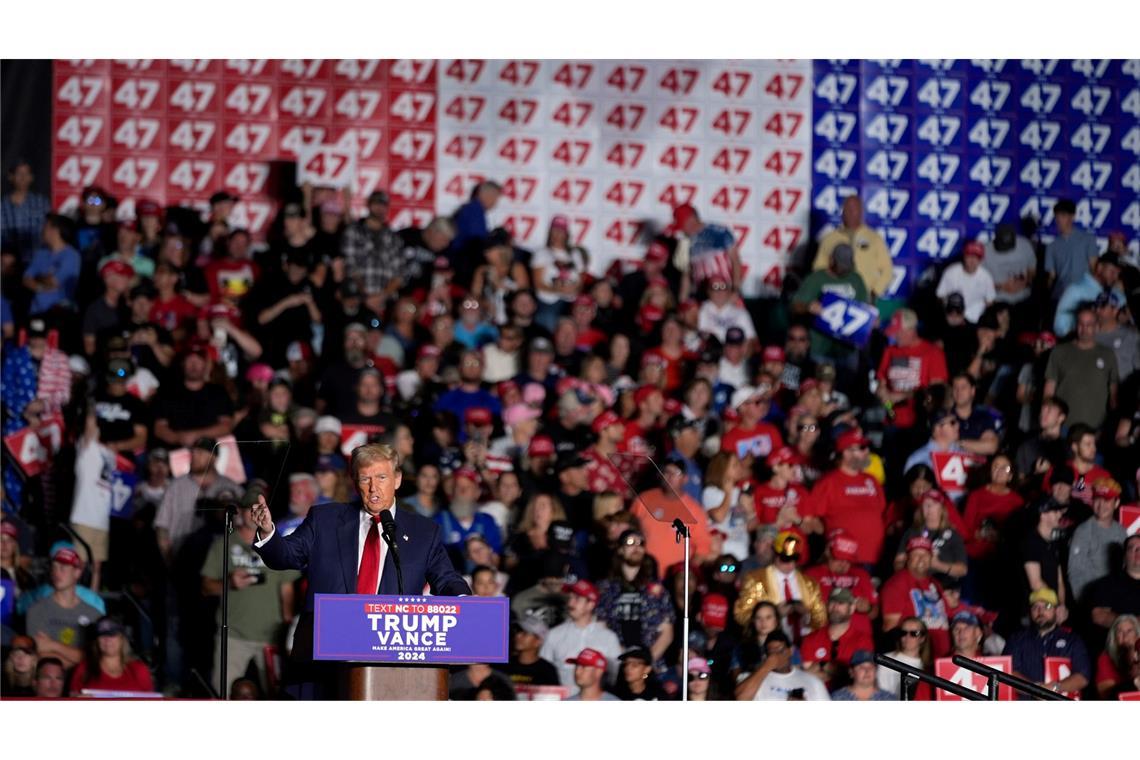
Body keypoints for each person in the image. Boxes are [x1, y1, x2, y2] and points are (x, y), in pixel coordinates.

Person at [250, 444, 470, 697]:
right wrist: (268, 532)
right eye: (365, 479)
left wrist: (467, 603)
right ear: (355, 482)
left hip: (390, 666)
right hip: (322, 662)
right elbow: (285, 555)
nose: (373, 488)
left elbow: (446, 578)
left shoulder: (423, 532)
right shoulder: (325, 520)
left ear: (397, 479)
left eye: (381, 478)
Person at [201, 498, 299, 697]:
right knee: (224, 693)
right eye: (248, 508)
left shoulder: (276, 542)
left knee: (277, 694)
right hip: (234, 635)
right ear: (240, 511)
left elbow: (287, 589)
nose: (253, 513)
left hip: (271, 636)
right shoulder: (224, 544)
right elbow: (205, 587)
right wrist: (230, 583)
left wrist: (288, 630)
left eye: (259, 508)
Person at [805, 430, 887, 566]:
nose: (867, 452)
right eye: (861, 448)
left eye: (866, 447)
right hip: (844, 560)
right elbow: (810, 519)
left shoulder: (871, 480)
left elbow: (880, 511)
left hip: (876, 557)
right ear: (846, 452)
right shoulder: (828, 482)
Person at [791, 243, 868, 382]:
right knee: (821, 385)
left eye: (847, 265)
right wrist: (809, 306)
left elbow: (865, 308)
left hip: (848, 349)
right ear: (831, 260)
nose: (844, 269)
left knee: (849, 386)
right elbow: (795, 305)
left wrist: (871, 320)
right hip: (821, 347)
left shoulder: (856, 279)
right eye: (841, 264)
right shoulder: (816, 279)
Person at [733, 529, 826, 641]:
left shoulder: (810, 583)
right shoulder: (755, 579)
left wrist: (807, 615)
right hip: (768, 643)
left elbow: (821, 619)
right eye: (785, 559)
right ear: (775, 554)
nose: (789, 564)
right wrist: (774, 614)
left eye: (793, 559)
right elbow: (741, 615)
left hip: (803, 643)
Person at [25, 544, 102, 669]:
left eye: (63, 567)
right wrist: (80, 661)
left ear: (77, 572)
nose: (56, 572)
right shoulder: (36, 610)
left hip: (82, 683)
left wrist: (53, 645)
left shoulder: (93, 614)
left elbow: (95, 658)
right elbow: (41, 655)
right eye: (54, 567)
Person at [539, 579, 622, 693]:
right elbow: (542, 671)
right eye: (570, 598)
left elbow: (616, 675)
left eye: (577, 599)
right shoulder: (554, 634)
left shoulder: (608, 638)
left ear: (590, 605)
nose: (570, 603)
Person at [1004, 588, 1091, 696]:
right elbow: (1008, 671)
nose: (1040, 611)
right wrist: (1034, 689)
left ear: (1056, 610)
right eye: (1035, 607)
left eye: (1047, 606)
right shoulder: (1017, 639)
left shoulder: (1072, 640)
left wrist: (1055, 687)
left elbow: (1083, 677)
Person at [1043, 304, 1119, 430]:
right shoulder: (1059, 352)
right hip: (1063, 426)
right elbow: (1049, 391)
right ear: (1076, 325)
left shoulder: (1108, 355)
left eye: (1089, 324)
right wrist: (1048, 421)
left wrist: (1111, 425)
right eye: (1081, 324)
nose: (1084, 328)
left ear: (1097, 326)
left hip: (1095, 428)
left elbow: (1114, 394)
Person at [811, 194, 893, 301]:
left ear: (861, 212)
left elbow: (887, 270)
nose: (850, 213)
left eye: (854, 209)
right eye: (847, 209)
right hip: (835, 298)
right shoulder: (829, 239)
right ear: (842, 212)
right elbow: (818, 269)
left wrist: (874, 292)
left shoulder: (874, 238)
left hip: (864, 298)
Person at [880, 536, 950, 657]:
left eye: (925, 555)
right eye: (916, 555)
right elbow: (890, 629)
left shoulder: (935, 583)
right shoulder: (896, 584)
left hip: (940, 657)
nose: (921, 559)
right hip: (916, 660)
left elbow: (947, 617)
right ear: (907, 558)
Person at [799, 588, 874, 690]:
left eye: (841, 603)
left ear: (851, 608)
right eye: (832, 603)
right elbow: (806, 675)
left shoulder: (863, 640)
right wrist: (835, 669)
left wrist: (822, 665)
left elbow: (859, 676)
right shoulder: (811, 638)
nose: (835, 607)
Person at [1068, 479, 1128, 605]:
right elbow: (1075, 572)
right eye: (1097, 500)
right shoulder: (1083, 531)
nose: (1101, 506)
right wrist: (1087, 605)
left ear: (1116, 503)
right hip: (1092, 601)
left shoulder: (1121, 532)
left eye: (1106, 500)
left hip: (1116, 600)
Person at [68, 616, 154, 695]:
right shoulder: (84, 668)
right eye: (102, 635)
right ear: (97, 640)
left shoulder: (139, 670)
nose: (107, 639)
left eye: (112, 634)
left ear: (122, 638)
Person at [1054, 252, 1125, 337]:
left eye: (1118, 273)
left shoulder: (1114, 292)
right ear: (1099, 267)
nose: (1116, 277)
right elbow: (1060, 327)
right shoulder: (1076, 290)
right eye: (1112, 272)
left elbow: (1125, 313)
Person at [746, 630, 830, 700]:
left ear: (791, 651)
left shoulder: (813, 682)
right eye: (772, 653)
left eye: (781, 651)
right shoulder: (755, 680)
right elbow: (739, 698)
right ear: (766, 656)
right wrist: (767, 666)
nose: (777, 656)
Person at [1045, 198, 1101, 299]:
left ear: (1072, 217)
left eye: (1063, 215)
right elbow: (1051, 276)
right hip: (1062, 294)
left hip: (1085, 293)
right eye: (1057, 216)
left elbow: (1094, 268)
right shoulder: (1052, 246)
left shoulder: (1088, 239)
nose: (1059, 220)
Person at [936, 241, 996, 323]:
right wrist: (950, 311)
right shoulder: (951, 271)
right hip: (952, 314)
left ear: (980, 259)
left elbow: (990, 301)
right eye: (969, 256)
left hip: (974, 318)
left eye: (976, 257)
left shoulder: (986, 276)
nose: (972, 260)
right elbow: (940, 295)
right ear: (964, 256)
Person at [876, 617, 932, 700]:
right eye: (903, 633)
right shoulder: (885, 660)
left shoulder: (929, 666)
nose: (907, 637)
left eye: (914, 633)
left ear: (922, 638)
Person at [501, 614, 560, 689]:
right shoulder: (503, 665)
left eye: (525, 633)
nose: (518, 635)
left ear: (538, 641)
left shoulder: (547, 671)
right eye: (517, 631)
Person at [1095, 614, 1139, 699]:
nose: (1125, 635)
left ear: (1137, 634)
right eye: (1120, 631)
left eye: (1129, 631)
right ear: (1114, 636)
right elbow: (1106, 694)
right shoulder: (1106, 658)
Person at [830, 649, 896, 700]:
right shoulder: (838, 697)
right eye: (861, 667)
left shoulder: (888, 698)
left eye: (871, 667)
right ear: (851, 672)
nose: (867, 671)